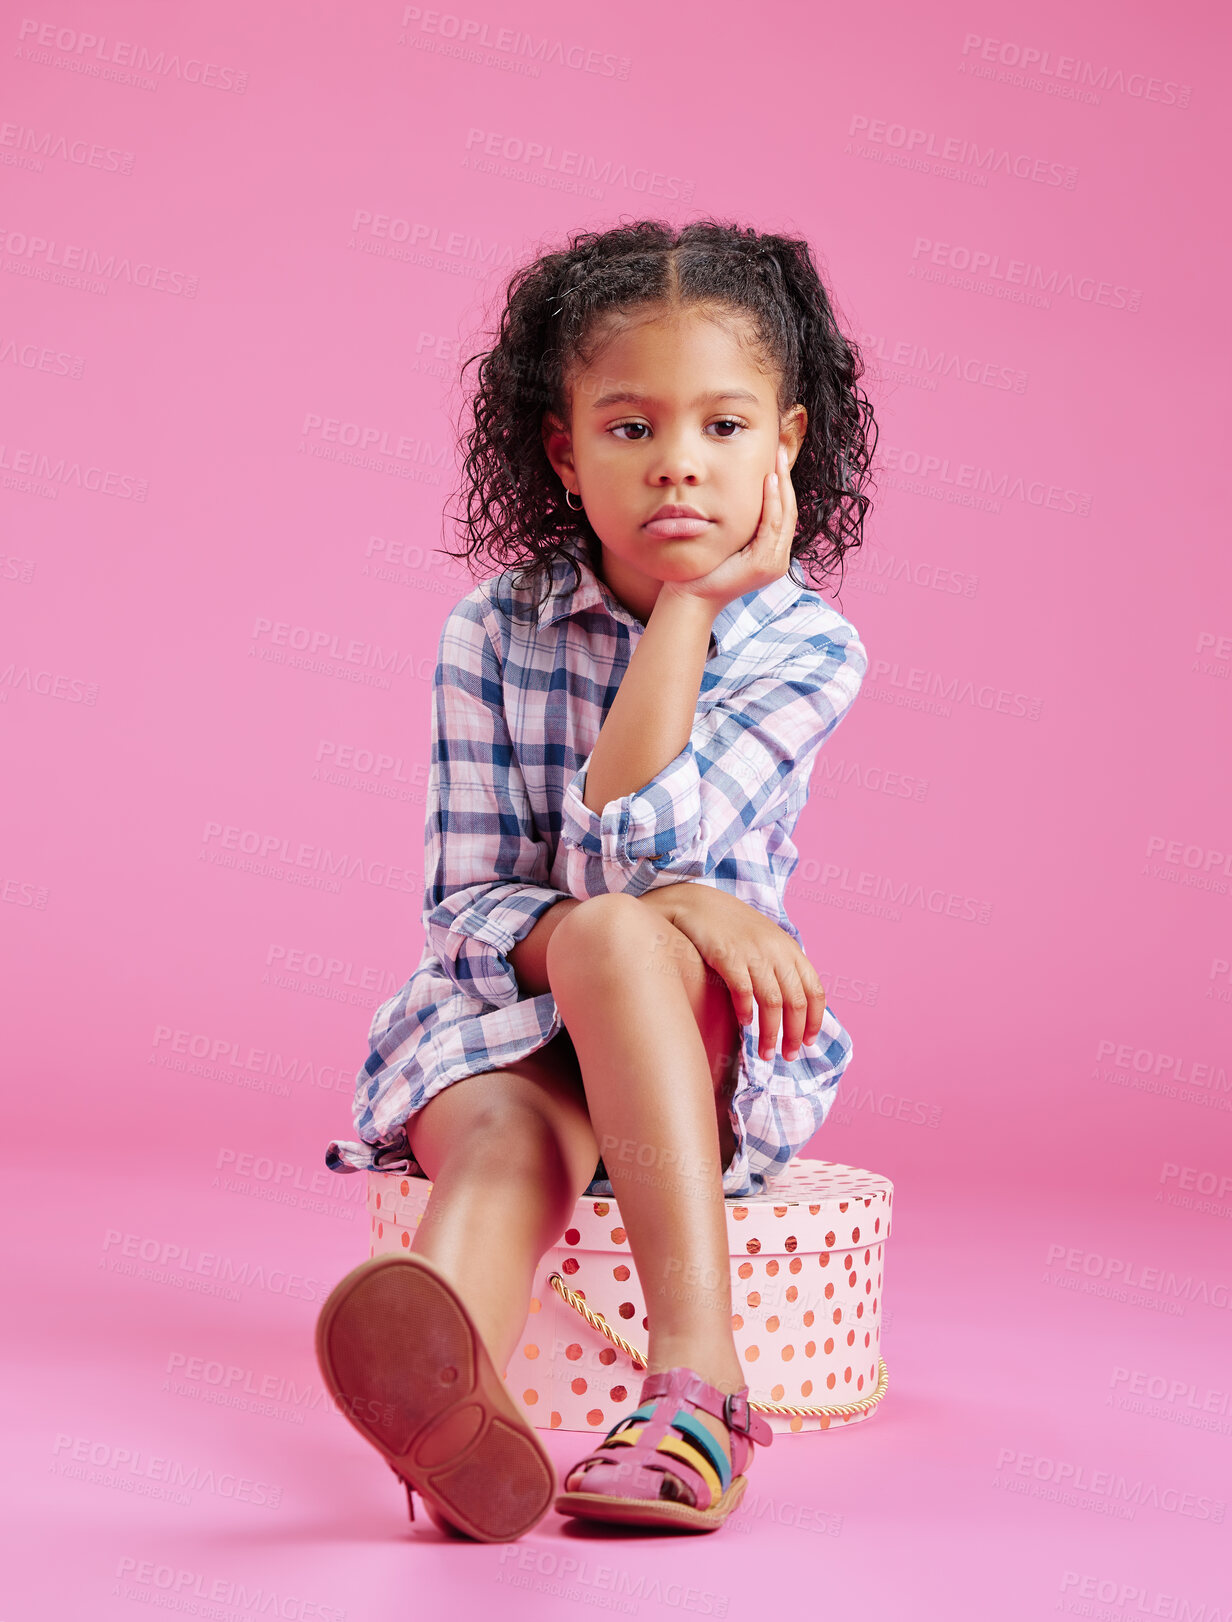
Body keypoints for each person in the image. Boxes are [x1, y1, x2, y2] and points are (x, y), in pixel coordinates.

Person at [313, 218, 877, 1540]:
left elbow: (630, 846)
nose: (679, 461)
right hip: (513, 1029)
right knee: (507, 1127)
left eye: (724, 428)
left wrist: (688, 607)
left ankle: (700, 1383)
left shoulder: (805, 646)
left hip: (701, 1034)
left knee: (623, 935)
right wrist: (619, 917)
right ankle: (459, 1417)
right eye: (630, 429)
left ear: (785, 446)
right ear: (565, 454)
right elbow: (466, 906)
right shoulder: (489, 631)